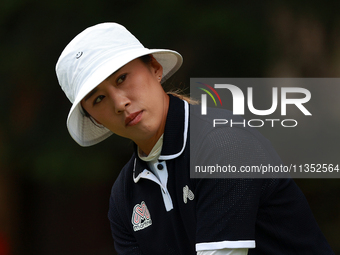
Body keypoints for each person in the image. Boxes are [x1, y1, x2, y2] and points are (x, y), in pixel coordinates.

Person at [55, 22, 334, 255]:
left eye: (122, 78)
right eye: (99, 98)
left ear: (154, 68)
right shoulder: (123, 196)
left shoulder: (224, 144)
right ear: (95, 119)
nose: (119, 103)